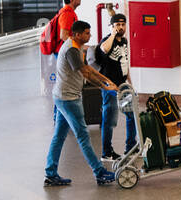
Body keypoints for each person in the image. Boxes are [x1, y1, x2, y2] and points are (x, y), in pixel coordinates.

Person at [45, 20, 116, 187]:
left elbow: (89, 69)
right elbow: (86, 73)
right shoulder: (71, 50)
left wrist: (108, 82)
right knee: (83, 135)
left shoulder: (76, 47)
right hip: (68, 99)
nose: (89, 35)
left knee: (59, 136)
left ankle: (51, 173)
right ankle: (99, 172)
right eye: (86, 33)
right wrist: (105, 87)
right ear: (76, 34)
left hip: (63, 96)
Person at [94, 12, 136, 160]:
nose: (120, 27)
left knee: (132, 115)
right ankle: (107, 152)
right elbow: (104, 49)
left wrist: (130, 83)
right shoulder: (107, 41)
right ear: (111, 26)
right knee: (110, 119)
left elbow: (125, 63)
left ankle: (131, 147)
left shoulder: (124, 41)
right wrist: (112, 34)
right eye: (117, 25)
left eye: (123, 24)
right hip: (110, 87)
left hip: (123, 85)